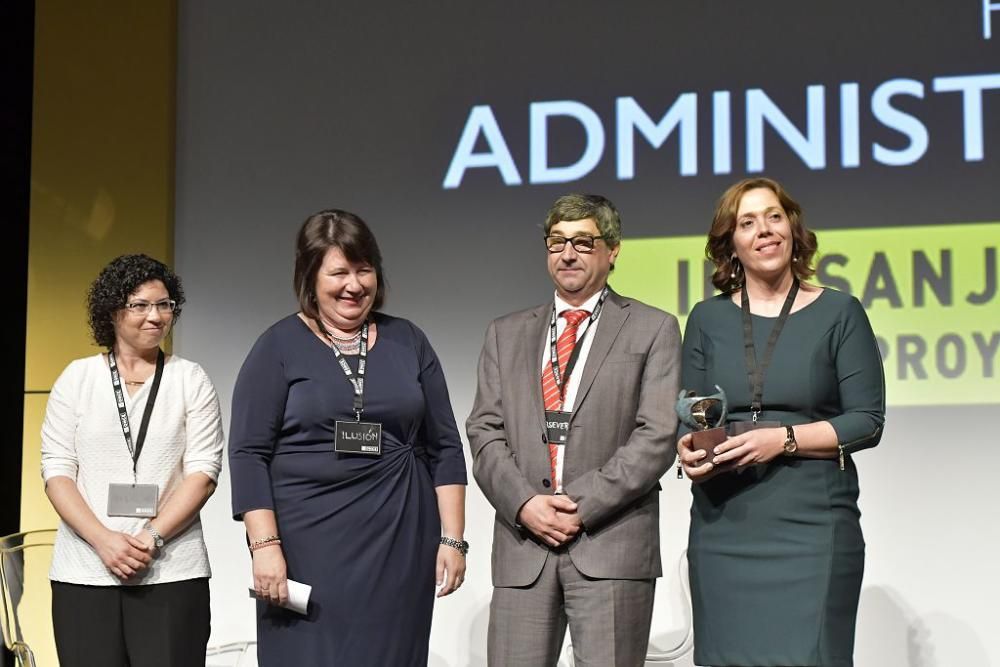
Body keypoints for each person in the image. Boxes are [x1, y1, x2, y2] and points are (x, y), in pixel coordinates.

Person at [229, 209, 468, 666]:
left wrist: (453, 539)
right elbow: (247, 453)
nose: (354, 285)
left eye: (364, 270)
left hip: (400, 542)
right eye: (339, 272)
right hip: (305, 549)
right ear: (310, 276)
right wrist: (265, 548)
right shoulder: (277, 346)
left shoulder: (409, 340)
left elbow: (446, 447)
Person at [677, 177, 886, 667]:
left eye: (774, 217)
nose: (764, 231)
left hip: (813, 528)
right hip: (724, 526)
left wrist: (783, 440)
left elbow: (867, 421)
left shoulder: (840, 312)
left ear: (792, 228)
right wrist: (688, 448)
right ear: (731, 244)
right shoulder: (706, 319)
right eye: (746, 223)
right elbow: (692, 412)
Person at [467, 193, 681, 666]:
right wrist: (525, 504)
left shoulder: (653, 328)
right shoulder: (506, 333)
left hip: (611, 544)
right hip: (525, 547)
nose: (567, 254)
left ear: (614, 249)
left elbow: (657, 434)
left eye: (583, 242)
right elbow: (484, 431)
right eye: (556, 242)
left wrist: (578, 506)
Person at [41, 254, 224, 667]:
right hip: (84, 570)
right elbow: (56, 471)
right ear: (112, 311)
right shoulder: (77, 378)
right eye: (140, 305)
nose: (155, 316)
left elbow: (204, 472)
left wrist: (152, 537)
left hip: (172, 570)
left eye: (164, 305)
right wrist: (104, 541)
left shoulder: (189, 379)